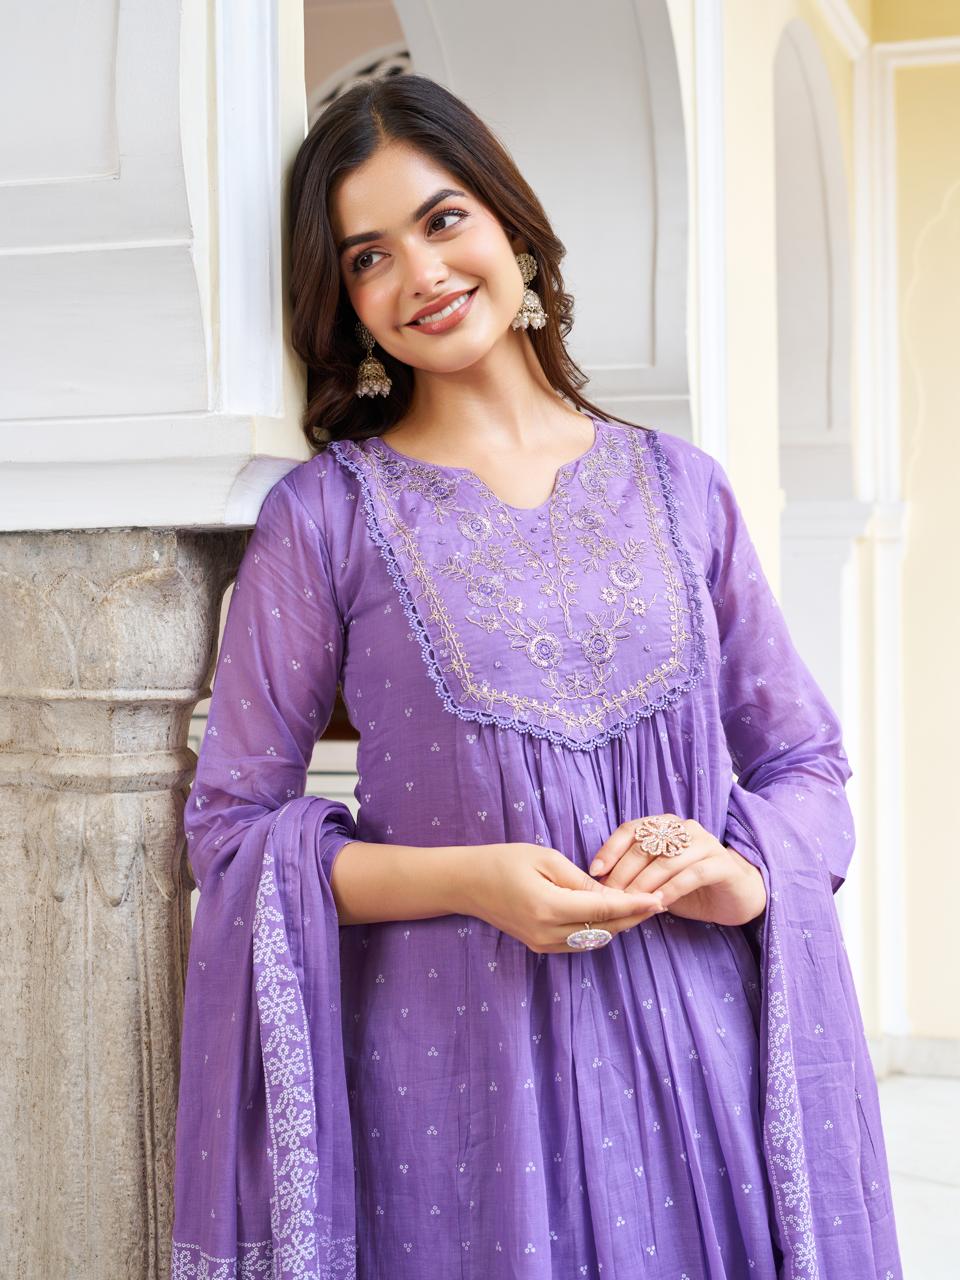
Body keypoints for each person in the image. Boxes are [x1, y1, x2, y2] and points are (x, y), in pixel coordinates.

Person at [170, 74, 902, 1279]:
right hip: (457, 1089)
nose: (420, 274)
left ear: (510, 224)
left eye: (443, 219)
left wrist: (742, 869)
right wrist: (475, 880)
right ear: (346, 301)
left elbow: (806, 763)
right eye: (368, 256)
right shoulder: (328, 518)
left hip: (697, 1069)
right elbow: (234, 831)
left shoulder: (683, 489)